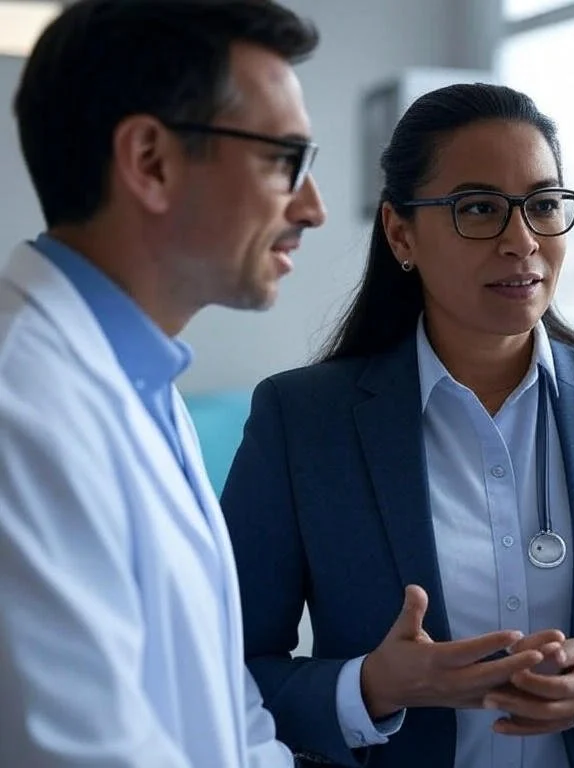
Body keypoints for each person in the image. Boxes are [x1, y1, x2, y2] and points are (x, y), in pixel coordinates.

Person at [220, 82, 574, 768]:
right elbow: (224, 669)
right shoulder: (303, 420)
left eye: (542, 205)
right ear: (400, 232)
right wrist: (371, 687)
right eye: (478, 208)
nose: (521, 241)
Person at [0, 1, 327, 766]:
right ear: (150, 161)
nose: (311, 207)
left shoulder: (142, 379)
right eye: (287, 160)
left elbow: (223, 699)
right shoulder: (21, 409)